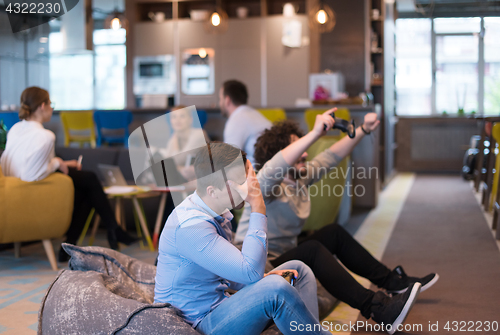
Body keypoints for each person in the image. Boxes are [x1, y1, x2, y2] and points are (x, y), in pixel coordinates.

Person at [234, 111, 437, 334]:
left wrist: (364, 129)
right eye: (299, 149)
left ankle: (393, 282)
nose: (305, 154)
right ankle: (378, 308)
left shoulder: (299, 178)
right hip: (257, 266)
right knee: (312, 250)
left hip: (281, 258)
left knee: (333, 233)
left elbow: (331, 156)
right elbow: (274, 167)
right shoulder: (265, 186)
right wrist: (314, 133)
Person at [154, 142, 332, 335]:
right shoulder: (191, 227)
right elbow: (249, 272)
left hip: (218, 308)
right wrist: (258, 204)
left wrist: (265, 278)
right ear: (212, 191)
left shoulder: (213, 210)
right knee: (275, 289)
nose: (248, 187)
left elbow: (232, 274)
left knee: (299, 271)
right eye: (240, 182)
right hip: (197, 324)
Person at [0, 87, 138, 262]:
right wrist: (58, 163)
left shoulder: (15, 129)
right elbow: (31, 173)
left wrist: (61, 163)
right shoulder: (45, 136)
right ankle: (111, 231)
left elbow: (27, 163)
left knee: (87, 187)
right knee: (89, 180)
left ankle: (79, 241)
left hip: (13, 190)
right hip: (34, 193)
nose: (52, 108)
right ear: (42, 106)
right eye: (50, 104)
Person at [220, 80, 271, 165]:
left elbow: (228, 163)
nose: (220, 103)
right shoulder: (254, 114)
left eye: (220, 99)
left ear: (227, 100)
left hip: (258, 174)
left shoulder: (236, 120)